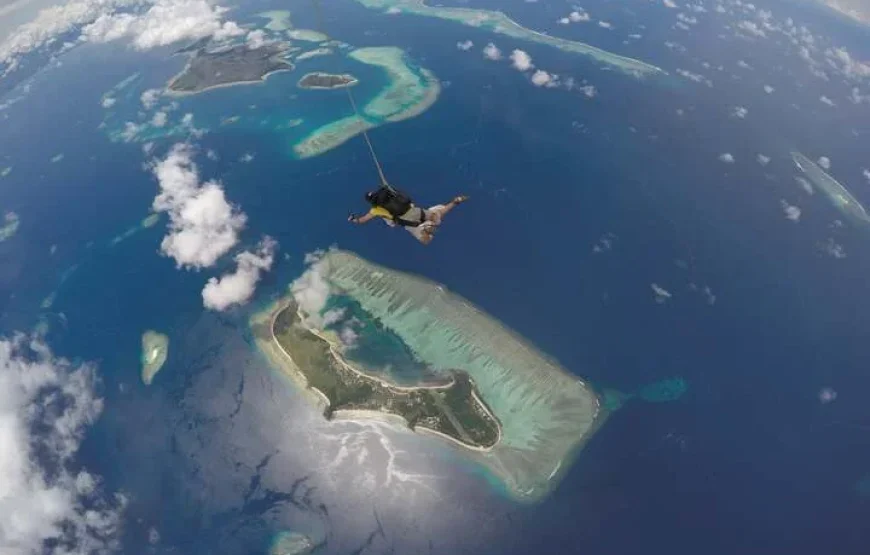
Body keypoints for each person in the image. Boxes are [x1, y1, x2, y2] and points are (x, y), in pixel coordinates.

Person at [348, 185, 469, 245]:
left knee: (425, 240)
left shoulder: (375, 210)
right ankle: (455, 201)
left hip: (407, 220)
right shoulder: (391, 194)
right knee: (437, 214)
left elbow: (362, 220)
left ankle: (425, 228)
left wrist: (353, 219)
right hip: (415, 210)